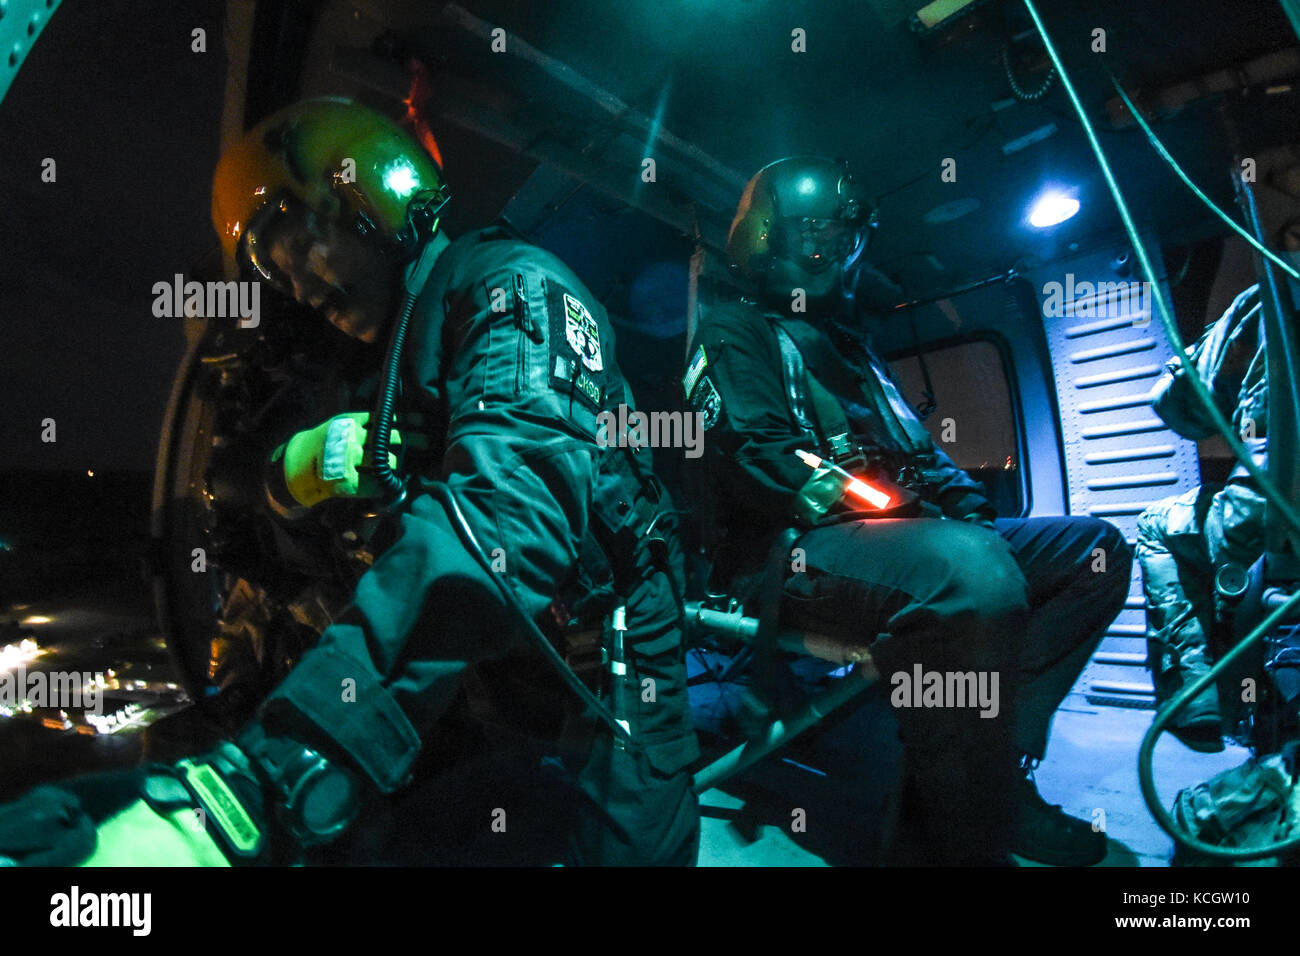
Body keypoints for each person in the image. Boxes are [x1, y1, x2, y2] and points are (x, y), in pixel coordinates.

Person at [0, 98, 699, 866]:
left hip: (604, 647)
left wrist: (267, 779)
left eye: (291, 240)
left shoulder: (514, 293)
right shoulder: (370, 364)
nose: (293, 281)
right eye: (270, 268)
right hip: (481, 665)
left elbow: (508, 523)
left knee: (628, 853)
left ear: (367, 197)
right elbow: (309, 557)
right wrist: (287, 483)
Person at [684, 155, 1132, 865]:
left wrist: (966, 513)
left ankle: (997, 769)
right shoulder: (736, 331)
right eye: (820, 234)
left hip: (900, 542)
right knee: (969, 571)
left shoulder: (854, 352)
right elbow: (758, 455)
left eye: (849, 236)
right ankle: (950, 829)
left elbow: (925, 457)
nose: (838, 252)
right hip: (796, 551)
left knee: (1094, 551)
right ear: (769, 238)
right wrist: (904, 506)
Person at [1136, 284, 1269, 751]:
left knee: (1155, 523)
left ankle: (1194, 696)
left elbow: (1175, 406)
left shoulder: (1266, 298)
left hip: (1272, 510)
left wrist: (1224, 346)